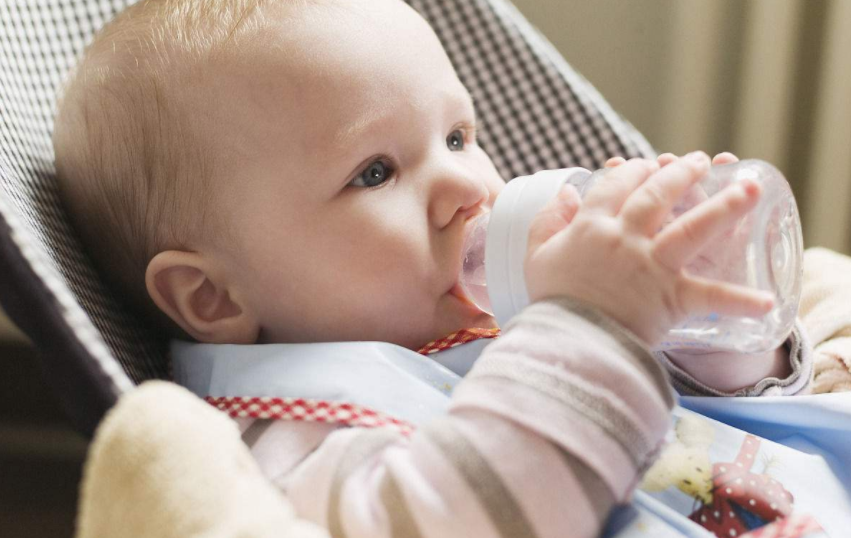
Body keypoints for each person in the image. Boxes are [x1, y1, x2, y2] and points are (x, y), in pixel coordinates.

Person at [52, 0, 817, 536]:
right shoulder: (292, 430)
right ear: (214, 295)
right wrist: (594, 327)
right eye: (375, 172)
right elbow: (461, 518)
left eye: (456, 136)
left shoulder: (514, 308)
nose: (467, 187)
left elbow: (721, 413)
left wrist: (712, 322)